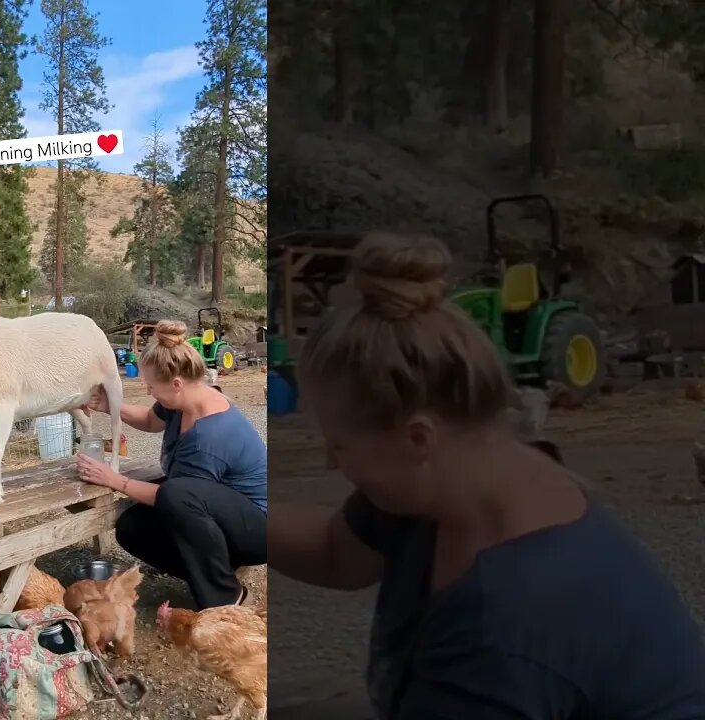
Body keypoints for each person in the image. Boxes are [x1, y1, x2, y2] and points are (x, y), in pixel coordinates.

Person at [267, 232, 705, 718]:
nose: (333, 463)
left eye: (340, 444)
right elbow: (336, 552)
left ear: (416, 438)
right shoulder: (450, 479)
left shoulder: (500, 623)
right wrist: (240, 514)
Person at [75, 319, 267, 609]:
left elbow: (176, 497)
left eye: (150, 386)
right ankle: (216, 570)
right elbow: (152, 421)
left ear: (176, 383)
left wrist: (115, 480)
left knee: (175, 496)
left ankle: (227, 598)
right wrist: (112, 406)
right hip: (220, 510)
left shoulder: (208, 435)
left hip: (258, 530)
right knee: (132, 526)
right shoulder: (183, 399)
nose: (148, 390)